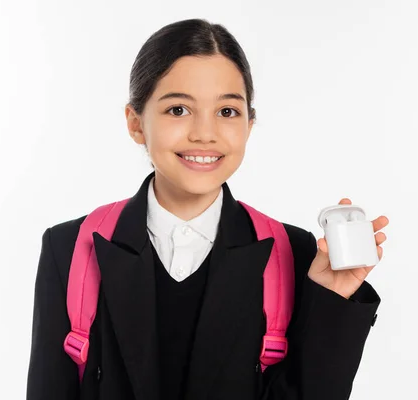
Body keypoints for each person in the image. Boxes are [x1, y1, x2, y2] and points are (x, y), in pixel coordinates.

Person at [26, 18, 389, 400]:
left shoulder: (296, 254)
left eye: (227, 112)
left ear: (250, 123)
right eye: (178, 110)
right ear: (136, 123)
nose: (205, 133)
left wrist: (333, 300)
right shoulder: (69, 247)